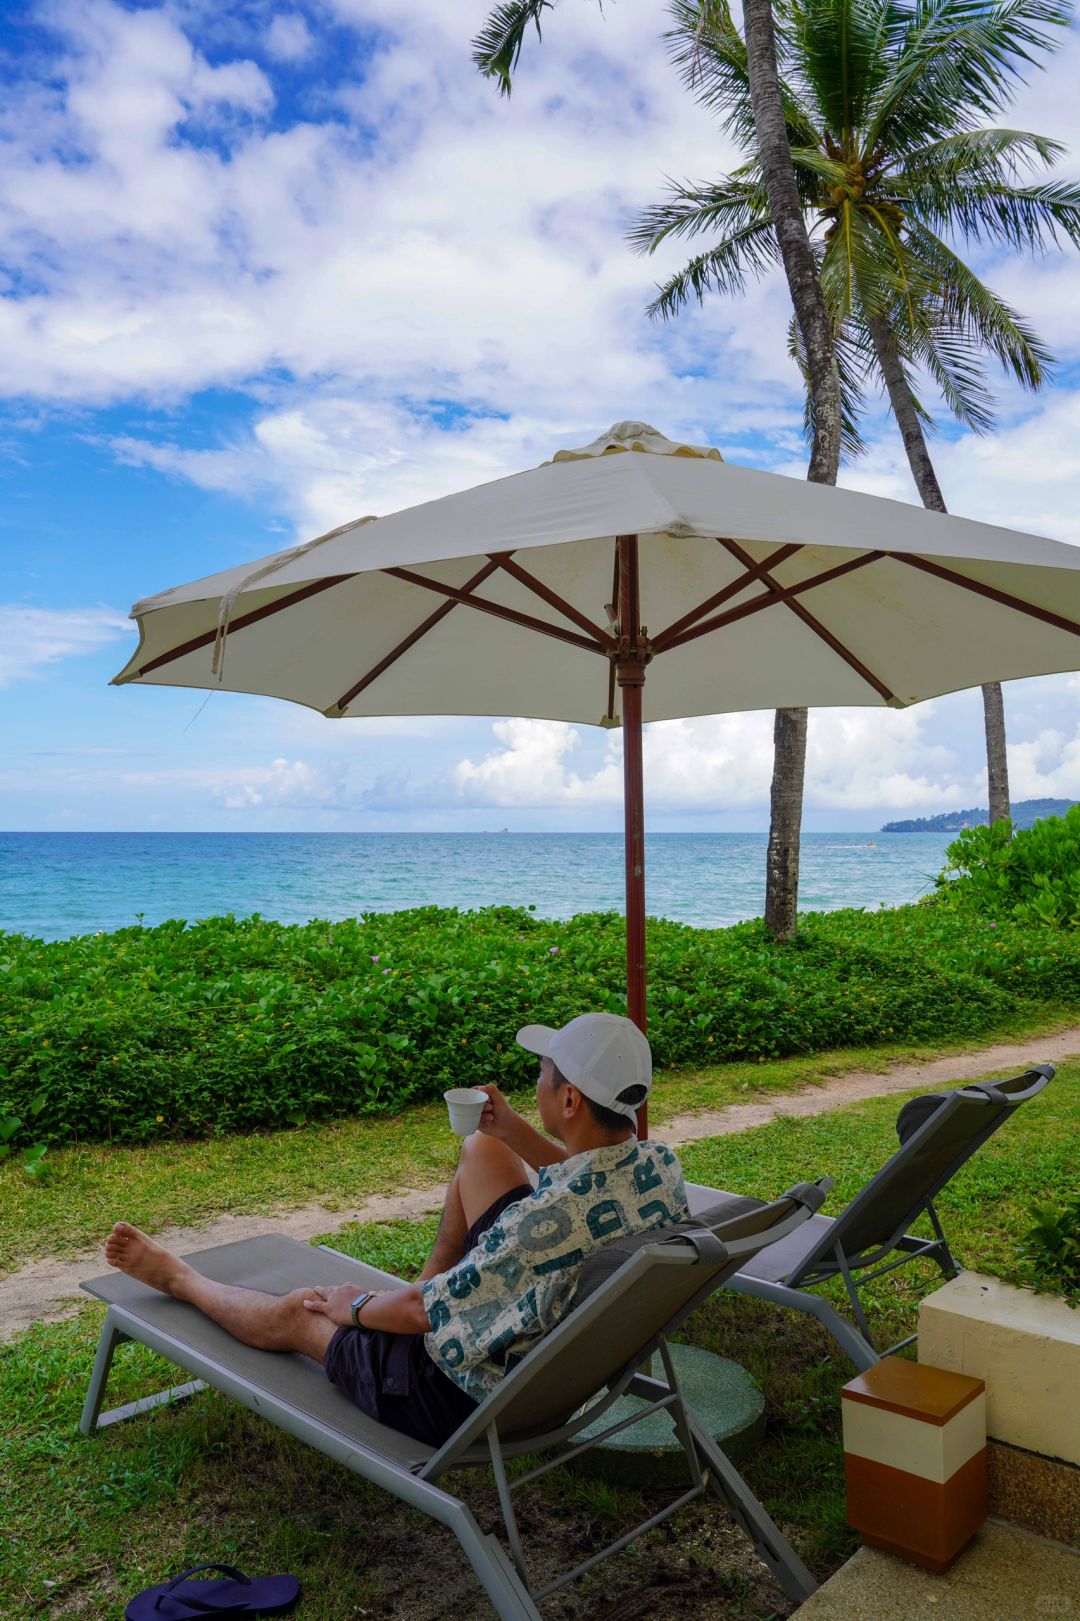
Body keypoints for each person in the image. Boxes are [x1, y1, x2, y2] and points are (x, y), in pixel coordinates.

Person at [103, 1012, 688, 1448]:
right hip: (547, 1355)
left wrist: (352, 1305)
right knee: (482, 1147)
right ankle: (427, 1280)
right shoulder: (658, 1168)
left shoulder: (533, 1232)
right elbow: (580, 1177)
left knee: (301, 1312)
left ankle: (181, 1279)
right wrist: (508, 1132)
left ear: (568, 1098)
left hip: (454, 1394)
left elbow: (420, 1316)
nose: (534, 1081)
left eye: (543, 1073)